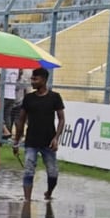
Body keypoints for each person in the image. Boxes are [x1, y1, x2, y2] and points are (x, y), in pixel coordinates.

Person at [12, 68, 65, 201]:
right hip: (31, 142)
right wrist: (16, 141)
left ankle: (49, 193)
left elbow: (61, 119)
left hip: (48, 142)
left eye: (35, 79)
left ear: (44, 80)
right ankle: (27, 200)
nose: (32, 82)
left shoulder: (55, 97)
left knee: (53, 173)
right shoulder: (29, 98)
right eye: (32, 79)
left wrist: (56, 138)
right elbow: (21, 120)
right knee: (29, 170)